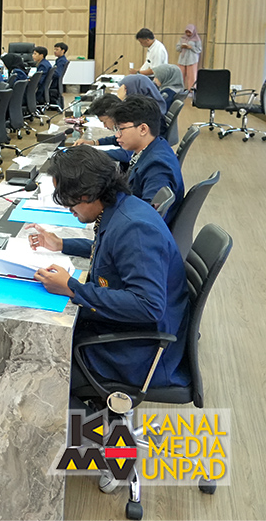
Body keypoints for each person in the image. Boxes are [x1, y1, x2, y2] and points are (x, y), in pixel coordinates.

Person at [28, 145, 189, 390]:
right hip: (126, 329)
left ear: (88, 193)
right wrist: (61, 244)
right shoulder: (122, 208)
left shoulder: (134, 229)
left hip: (138, 352)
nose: (69, 210)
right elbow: (110, 250)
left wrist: (72, 288)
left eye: (70, 202)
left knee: (38, 358)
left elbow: (149, 306)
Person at [109, 95, 185, 223]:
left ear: (143, 129)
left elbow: (146, 218)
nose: (117, 135)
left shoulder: (158, 167)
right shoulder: (156, 145)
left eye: (121, 129)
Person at [72, 94, 133, 164]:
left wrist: (92, 154)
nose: (105, 126)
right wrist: (93, 143)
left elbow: (126, 155)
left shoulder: (131, 125)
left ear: (113, 115)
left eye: (104, 122)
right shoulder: (124, 126)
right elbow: (115, 139)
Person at [176, 24, 202, 91]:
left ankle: (191, 91)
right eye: (187, 32)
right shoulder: (182, 38)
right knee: (180, 76)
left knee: (191, 77)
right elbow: (177, 48)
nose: (188, 34)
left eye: (189, 32)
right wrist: (181, 46)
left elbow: (199, 50)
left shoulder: (196, 39)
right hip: (182, 60)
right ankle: (179, 90)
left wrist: (191, 47)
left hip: (192, 60)